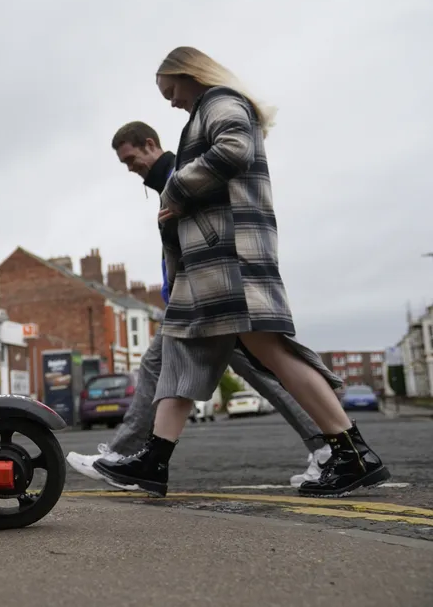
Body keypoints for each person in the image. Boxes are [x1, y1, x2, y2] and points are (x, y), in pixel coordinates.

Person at [91, 46, 391, 498]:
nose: (170, 102)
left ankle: (351, 452)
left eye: (171, 91)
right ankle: (154, 459)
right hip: (213, 258)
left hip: (231, 253)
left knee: (272, 353)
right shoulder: (208, 109)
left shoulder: (221, 102)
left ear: (190, 75)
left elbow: (233, 149)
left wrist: (175, 189)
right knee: (181, 354)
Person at [66, 121, 332, 489]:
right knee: (244, 373)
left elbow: (213, 221)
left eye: (131, 159)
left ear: (149, 144)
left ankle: (329, 446)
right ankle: (327, 446)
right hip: (193, 296)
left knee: (263, 372)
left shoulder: (182, 173)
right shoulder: (166, 182)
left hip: (208, 295)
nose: (131, 168)